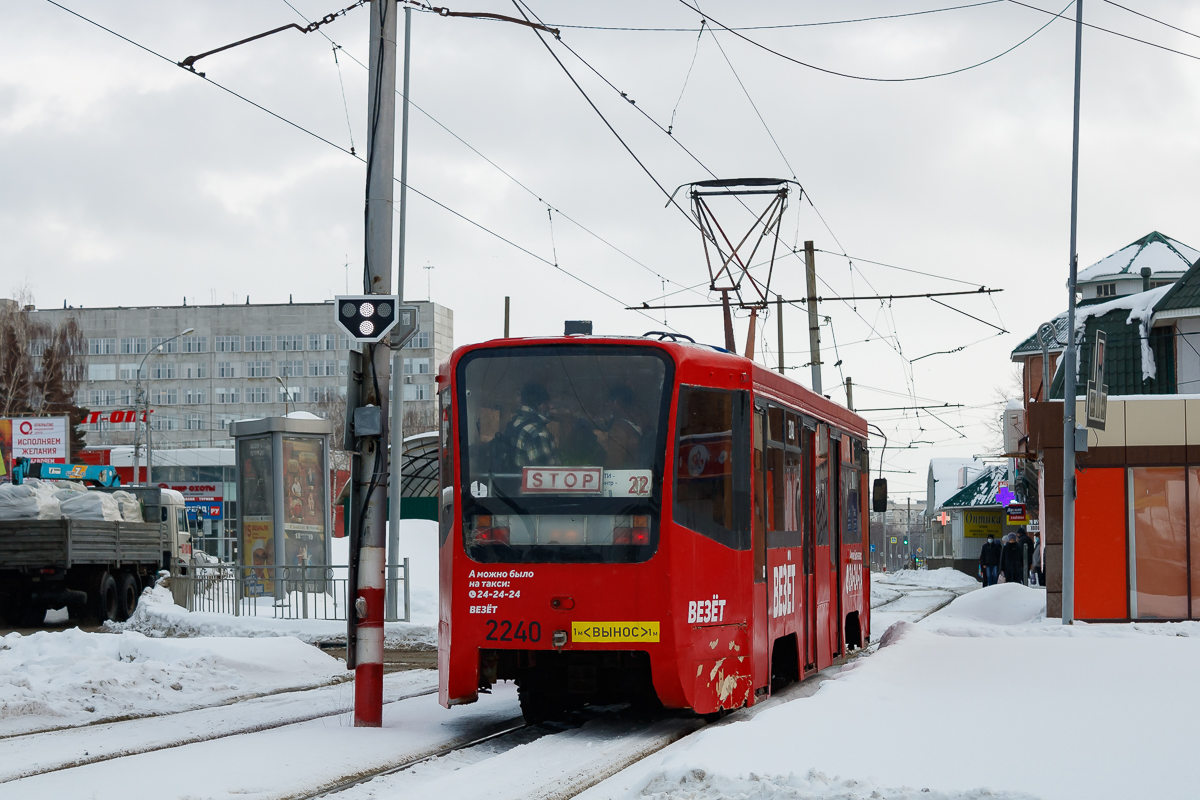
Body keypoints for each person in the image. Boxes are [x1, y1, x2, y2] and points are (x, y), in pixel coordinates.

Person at [501, 382, 559, 468]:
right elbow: (546, 471)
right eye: (548, 404)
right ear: (542, 405)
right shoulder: (536, 431)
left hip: (512, 479)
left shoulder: (514, 422)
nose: (549, 407)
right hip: (528, 481)